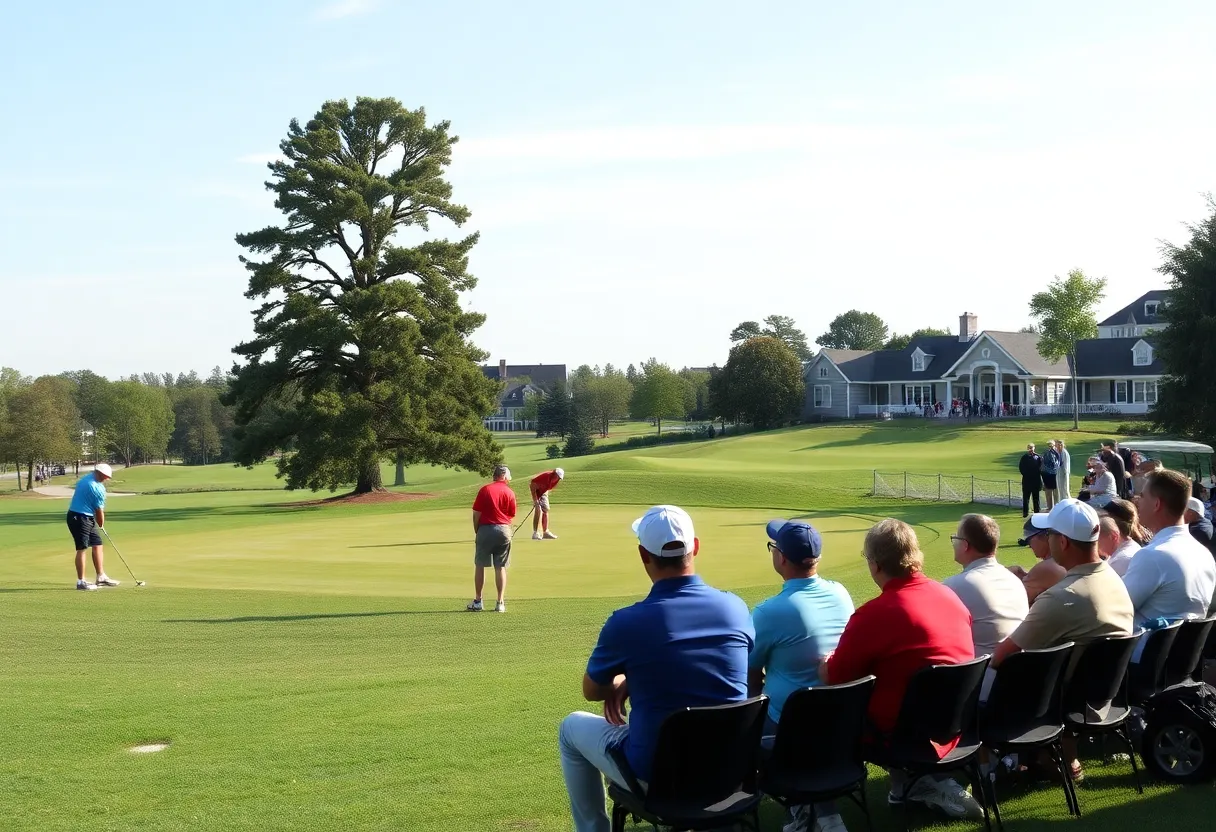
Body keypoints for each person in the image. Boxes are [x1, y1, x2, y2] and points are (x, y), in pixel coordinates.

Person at [558, 505, 753, 832]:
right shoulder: (735, 608)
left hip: (659, 778)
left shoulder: (626, 623)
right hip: (729, 771)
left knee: (570, 728)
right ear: (695, 547)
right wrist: (634, 678)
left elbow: (592, 690)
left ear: (643, 555)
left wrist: (624, 679)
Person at [822, 519, 981, 821]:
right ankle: (915, 784)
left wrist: (824, 663)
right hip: (954, 724)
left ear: (875, 564)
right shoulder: (949, 596)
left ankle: (818, 811)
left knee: (827, 709)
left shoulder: (874, 614)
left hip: (902, 735)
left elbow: (835, 678)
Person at [990, 500, 1134, 781]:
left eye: (1049, 534)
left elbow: (1001, 657)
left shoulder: (1063, 596)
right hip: (1105, 695)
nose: (1046, 540)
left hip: (1066, 701)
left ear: (1063, 542)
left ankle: (1001, 765)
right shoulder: (1113, 578)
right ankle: (1059, 757)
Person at [751, 519, 854, 832]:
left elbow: (750, 676)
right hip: (842, 721)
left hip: (789, 729)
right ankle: (824, 813)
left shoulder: (769, 612)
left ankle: (806, 809)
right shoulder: (841, 594)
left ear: (781, 558)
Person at [944, 514, 1028, 698]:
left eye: (956, 538)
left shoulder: (955, 586)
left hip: (980, 690)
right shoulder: (1014, 580)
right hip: (1019, 684)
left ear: (965, 545)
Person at [1125, 469, 1216, 630]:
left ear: (1157, 504)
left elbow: (1113, 608)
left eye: (1143, 495)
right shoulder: (1204, 553)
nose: (1138, 500)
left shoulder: (1153, 556)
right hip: (1183, 645)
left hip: (1144, 644)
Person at [467, 464, 517, 613]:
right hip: (503, 530)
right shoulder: (509, 492)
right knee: (500, 567)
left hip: (485, 529)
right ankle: (500, 603)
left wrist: (478, 530)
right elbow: (510, 515)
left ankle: (478, 602)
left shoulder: (485, 490)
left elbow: (476, 514)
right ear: (504, 476)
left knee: (480, 565)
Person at [67, 463, 119, 590]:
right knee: (82, 548)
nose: (106, 479)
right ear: (99, 473)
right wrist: (101, 524)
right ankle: (81, 582)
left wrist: (97, 522)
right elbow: (99, 512)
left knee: (97, 544)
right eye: (105, 476)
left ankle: (101, 576)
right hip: (78, 517)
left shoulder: (87, 478)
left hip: (87, 516)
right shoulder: (95, 488)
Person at [1008, 514, 1067, 604]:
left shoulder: (1048, 567)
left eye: (1029, 537)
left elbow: (1013, 601)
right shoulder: (1066, 561)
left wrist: (1007, 576)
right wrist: (1026, 576)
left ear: (1046, 536)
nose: (1029, 544)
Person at [1097, 510, 1142, 577]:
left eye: (1097, 540)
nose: (1095, 545)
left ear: (1113, 536)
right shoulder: (1132, 546)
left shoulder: (1120, 561)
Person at [529, 467, 564, 540]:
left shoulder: (556, 481)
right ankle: (535, 533)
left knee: (546, 509)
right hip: (535, 488)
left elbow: (547, 487)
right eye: (557, 476)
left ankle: (545, 532)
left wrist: (542, 495)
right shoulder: (545, 477)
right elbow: (532, 485)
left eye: (559, 478)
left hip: (544, 491)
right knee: (538, 509)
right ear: (554, 474)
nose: (557, 479)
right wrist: (536, 500)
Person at [1019, 444, 1043, 517]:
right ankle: (1025, 513)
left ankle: (1037, 512)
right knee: (1026, 498)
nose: (1031, 449)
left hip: (1036, 480)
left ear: (1034, 448)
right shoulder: (1024, 457)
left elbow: (1041, 467)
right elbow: (1021, 468)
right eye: (1029, 448)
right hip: (1027, 481)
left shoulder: (1038, 457)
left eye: (1032, 448)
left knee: (1036, 498)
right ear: (1027, 449)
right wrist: (1026, 474)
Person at [1041, 442, 1061, 510]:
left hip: (1050, 474)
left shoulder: (1053, 453)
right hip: (1049, 475)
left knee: (1051, 492)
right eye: (1050, 446)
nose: (1051, 447)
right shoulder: (1050, 453)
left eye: (1052, 446)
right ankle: (1051, 507)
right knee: (1050, 492)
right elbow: (1055, 464)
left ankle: (1052, 507)